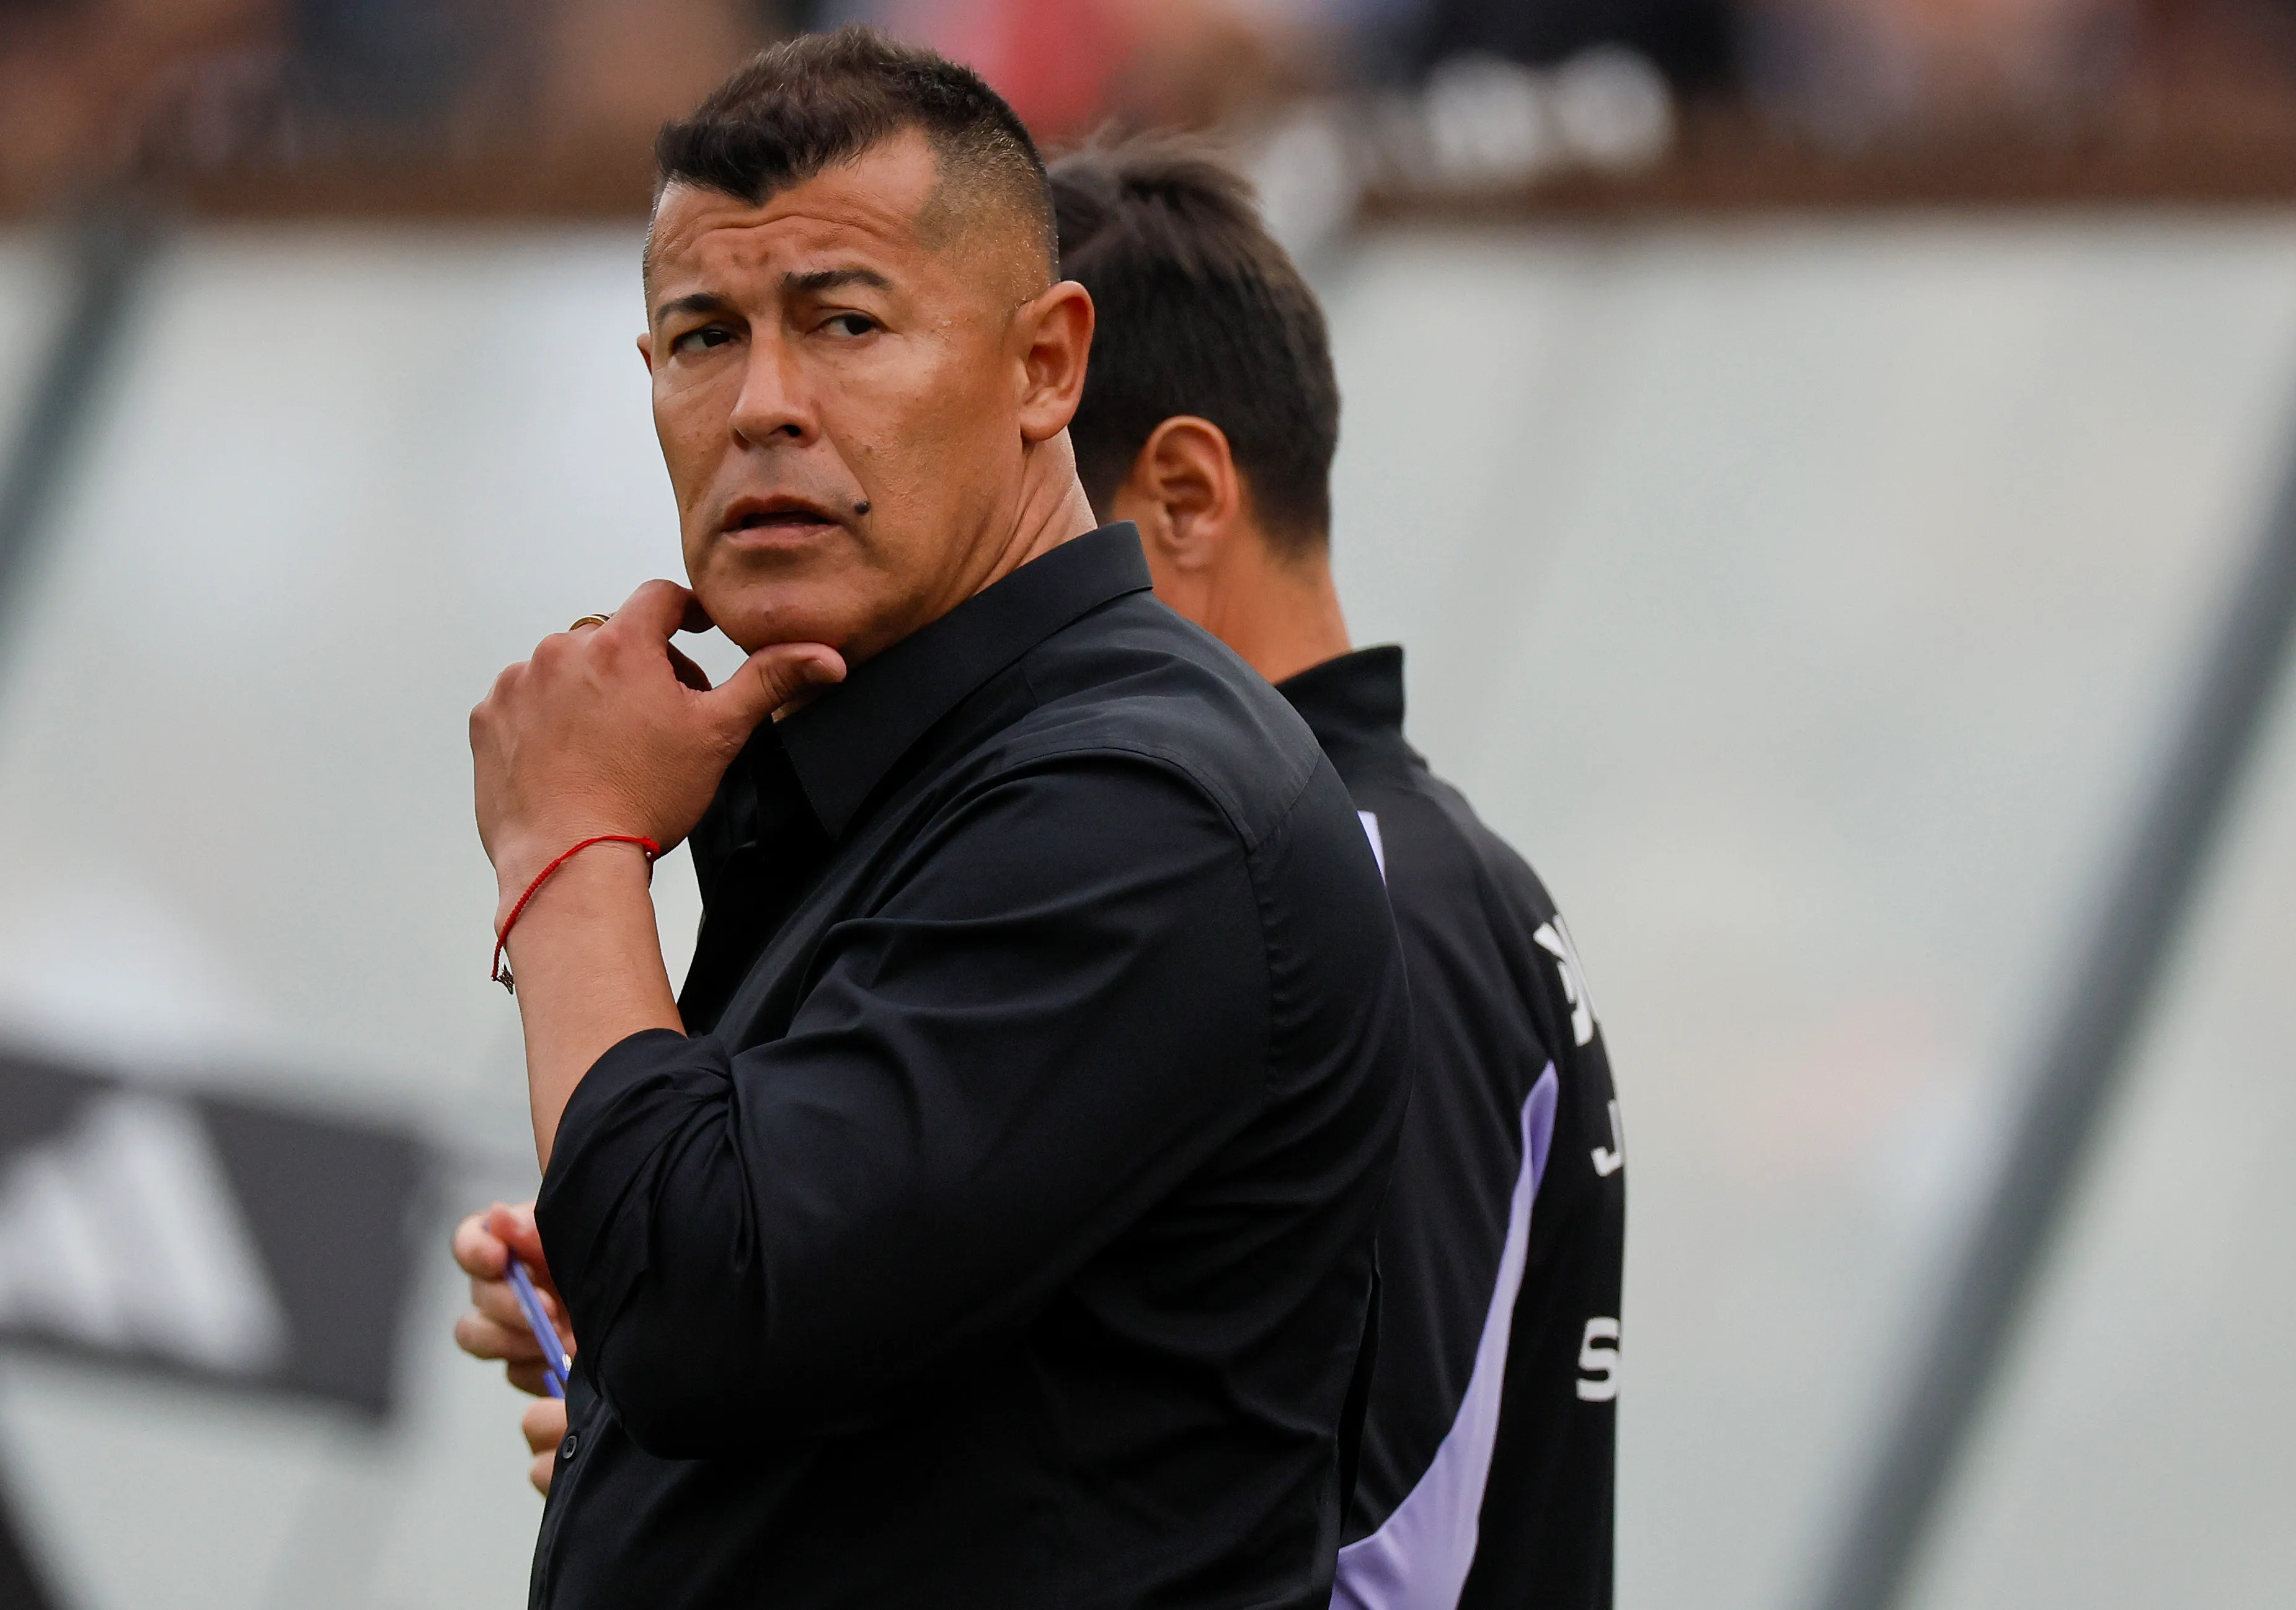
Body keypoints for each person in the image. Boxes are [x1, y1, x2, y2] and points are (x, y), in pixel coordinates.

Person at [456, 29, 1408, 1609]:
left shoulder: (1139, 798)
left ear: (1047, 367)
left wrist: (568, 853)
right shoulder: (905, 759)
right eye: (703, 336)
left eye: (843, 322)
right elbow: (835, 1324)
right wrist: (620, 1253)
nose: (765, 404)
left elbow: (713, 1308)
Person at [1049, 139, 1626, 1609]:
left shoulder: (1351, 891)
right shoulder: (1303, 872)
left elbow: (1380, 1568)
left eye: (1008, 534)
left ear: (1181, 496)